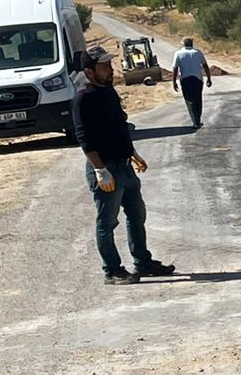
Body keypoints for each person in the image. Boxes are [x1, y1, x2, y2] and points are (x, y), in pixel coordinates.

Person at [73, 49, 175, 285]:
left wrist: (133, 152)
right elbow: (84, 138)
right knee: (107, 222)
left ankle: (143, 262)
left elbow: (119, 126)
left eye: (110, 65)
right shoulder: (83, 99)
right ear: (89, 71)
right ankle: (112, 270)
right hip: (106, 168)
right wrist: (100, 170)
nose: (110, 70)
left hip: (124, 164)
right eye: (104, 66)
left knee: (137, 214)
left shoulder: (108, 91)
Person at [170, 36, 212, 129]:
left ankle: (196, 122)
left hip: (186, 80)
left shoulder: (178, 53)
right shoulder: (198, 52)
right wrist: (209, 78)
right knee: (198, 100)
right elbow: (205, 66)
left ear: (183, 44)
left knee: (190, 101)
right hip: (198, 80)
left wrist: (174, 82)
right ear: (192, 44)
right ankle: (198, 120)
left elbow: (175, 68)